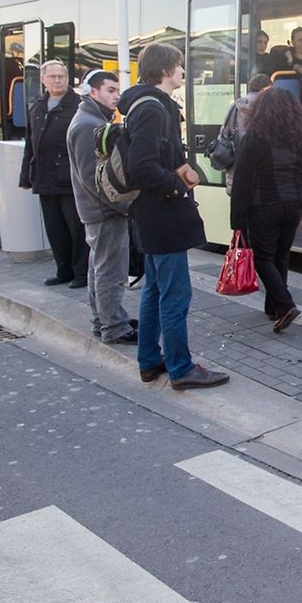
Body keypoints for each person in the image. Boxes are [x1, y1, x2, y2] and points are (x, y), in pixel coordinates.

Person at [121, 42, 230, 389]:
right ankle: (181, 368)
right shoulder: (153, 109)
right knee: (175, 294)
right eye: (180, 66)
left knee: (154, 290)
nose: (184, 71)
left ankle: (150, 361)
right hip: (162, 215)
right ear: (166, 71)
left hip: (150, 215)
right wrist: (176, 185)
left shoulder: (141, 104)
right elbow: (141, 166)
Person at [230, 87, 302, 333]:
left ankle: (285, 304)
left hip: (264, 206)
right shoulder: (299, 138)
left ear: (261, 111)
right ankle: (274, 306)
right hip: (293, 205)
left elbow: (242, 181)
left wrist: (237, 220)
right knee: (281, 255)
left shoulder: (254, 137)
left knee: (262, 258)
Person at [66, 71, 135, 344]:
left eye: (116, 90)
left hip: (98, 210)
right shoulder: (87, 125)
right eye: (110, 90)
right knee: (110, 270)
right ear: (93, 92)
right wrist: (125, 205)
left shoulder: (91, 120)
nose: (116, 95)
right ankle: (113, 326)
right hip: (104, 211)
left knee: (99, 267)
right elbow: (94, 177)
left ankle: (104, 319)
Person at [19, 60, 88, 288]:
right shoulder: (37, 107)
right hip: (45, 178)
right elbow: (30, 146)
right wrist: (26, 177)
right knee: (55, 229)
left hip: (70, 180)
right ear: (43, 80)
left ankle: (81, 273)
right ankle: (63, 271)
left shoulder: (79, 105)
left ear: (68, 79)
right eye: (53, 77)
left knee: (77, 230)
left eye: (61, 76)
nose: (57, 80)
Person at [222, 73, 272, 194]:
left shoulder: (235, 107)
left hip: (237, 173)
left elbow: (224, 133)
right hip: (262, 177)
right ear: (266, 88)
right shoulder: (269, 107)